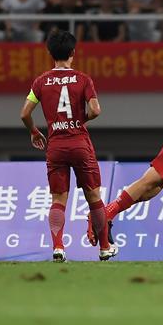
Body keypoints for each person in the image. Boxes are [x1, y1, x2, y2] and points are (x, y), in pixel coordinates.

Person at [19, 30, 117, 262]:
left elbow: (24, 114)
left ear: (50, 53)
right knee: (94, 197)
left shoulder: (41, 81)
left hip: (56, 145)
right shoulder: (83, 79)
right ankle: (104, 247)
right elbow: (95, 110)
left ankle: (58, 247)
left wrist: (34, 131)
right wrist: (79, 120)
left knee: (58, 199)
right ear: (73, 52)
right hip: (80, 143)